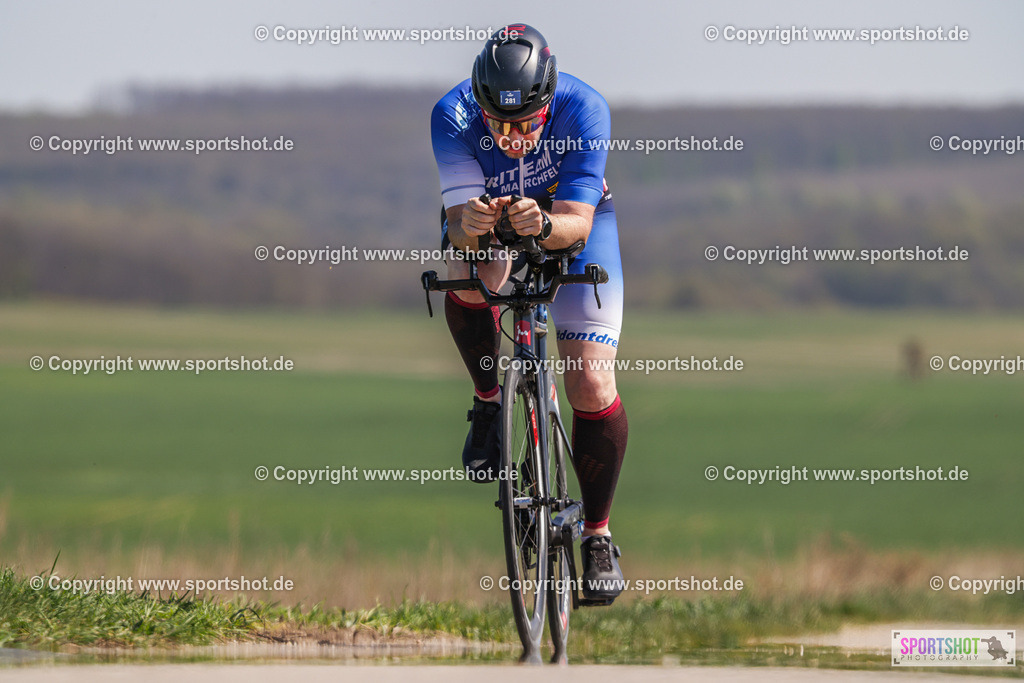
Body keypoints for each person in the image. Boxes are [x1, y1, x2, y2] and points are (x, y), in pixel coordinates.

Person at [430, 24, 628, 602]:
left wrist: (542, 226)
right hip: (490, 217)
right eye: (499, 125)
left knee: (589, 379)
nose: (513, 137)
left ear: (549, 100)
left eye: (527, 124)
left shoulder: (584, 108)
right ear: (478, 103)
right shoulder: (453, 115)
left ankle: (597, 536)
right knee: (465, 279)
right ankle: (490, 402)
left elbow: (577, 224)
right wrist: (469, 228)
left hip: (568, 220)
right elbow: (462, 229)